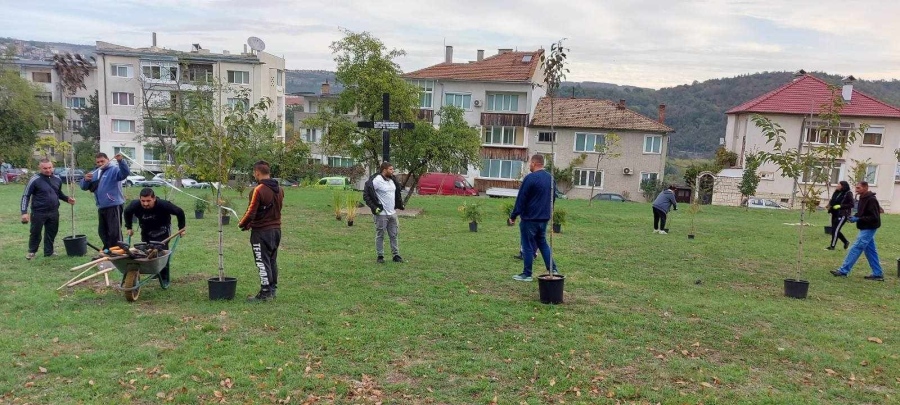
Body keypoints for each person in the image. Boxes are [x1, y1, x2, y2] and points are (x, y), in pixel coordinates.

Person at [238, 160, 284, 302]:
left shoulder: (258, 190)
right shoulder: (280, 189)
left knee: (261, 261)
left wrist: (242, 224)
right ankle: (272, 289)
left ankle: (265, 293)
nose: (254, 176)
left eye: (254, 173)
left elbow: (251, 212)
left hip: (262, 232)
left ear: (257, 173)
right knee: (271, 260)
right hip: (276, 230)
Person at [508, 154, 558, 281]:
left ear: (535, 163)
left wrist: (513, 216)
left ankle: (527, 274)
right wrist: (548, 213)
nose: (529, 165)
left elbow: (521, 199)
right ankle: (553, 269)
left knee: (527, 245)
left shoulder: (530, 178)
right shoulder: (551, 179)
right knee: (543, 243)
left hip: (530, 219)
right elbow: (553, 198)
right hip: (544, 218)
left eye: (530, 163)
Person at [124, 188, 186, 288]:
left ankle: (164, 276)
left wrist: (181, 228)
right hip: (146, 230)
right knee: (147, 251)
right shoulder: (135, 205)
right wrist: (129, 227)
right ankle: (153, 270)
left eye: (148, 201)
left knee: (161, 253)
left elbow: (179, 212)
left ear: (154, 199)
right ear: (140, 199)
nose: (145, 204)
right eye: (143, 201)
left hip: (162, 230)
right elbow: (127, 212)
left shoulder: (163, 205)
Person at [20, 158, 76, 259]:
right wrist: (24, 212)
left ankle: (49, 252)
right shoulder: (34, 179)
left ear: (52, 167)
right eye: (45, 168)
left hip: (54, 212)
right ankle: (32, 252)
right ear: (40, 168)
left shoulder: (57, 179)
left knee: (52, 232)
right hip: (38, 212)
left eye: (50, 167)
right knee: (35, 232)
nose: (48, 170)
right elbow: (26, 196)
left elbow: (58, 193)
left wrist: (67, 199)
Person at [830, 181, 884, 281]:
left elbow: (874, 217)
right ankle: (878, 273)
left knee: (856, 247)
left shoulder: (871, 199)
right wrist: (854, 217)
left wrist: (859, 219)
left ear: (865, 188)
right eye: (856, 188)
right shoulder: (862, 198)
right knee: (870, 251)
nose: (856, 190)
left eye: (858, 188)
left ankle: (843, 271)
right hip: (864, 227)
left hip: (869, 227)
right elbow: (861, 213)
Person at [80, 152, 130, 250]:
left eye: (102, 161)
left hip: (114, 205)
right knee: (102, 232)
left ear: (108, 160)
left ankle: (117, 252)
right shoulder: (95, 172)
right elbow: (83, 187)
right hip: (101, 206)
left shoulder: (114, 170)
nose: (100, 164)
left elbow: (125, 173)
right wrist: (85, 180)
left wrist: (120, 161)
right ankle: (107, 250)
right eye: (98, 162)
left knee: (114, 232)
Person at [364, 161, 406, 264]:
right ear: (384, 170)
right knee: (380, 235)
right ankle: (380, 256)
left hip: (392, 213)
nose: (393, 171)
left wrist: (399, 204)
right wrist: (374, 208)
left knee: (394, 235)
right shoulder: (376, 181)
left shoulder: (392, 180)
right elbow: (366, 196)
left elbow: (396, 194)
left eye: (393, 169)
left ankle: (396, 255)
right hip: (381, 214)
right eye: (390, 169)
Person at [825, 180, 853, 250]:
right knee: (834, 230)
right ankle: (846, 242)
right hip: (834, 213)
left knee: (835, 230)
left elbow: (852, 204)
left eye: (839, 185)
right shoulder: (836, 192)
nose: (837, 186)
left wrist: (840, 206)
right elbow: (833, 200)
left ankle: (832, 246)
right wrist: (829, 205)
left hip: (842, 214)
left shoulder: (848, 193)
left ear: (843, 186)